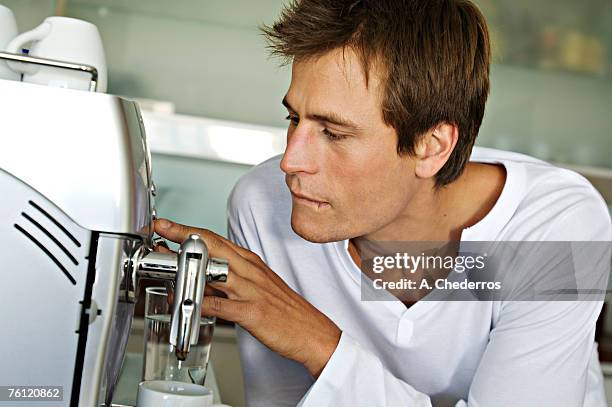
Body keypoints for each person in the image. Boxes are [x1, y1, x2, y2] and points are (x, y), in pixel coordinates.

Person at [154, 0, 612, 405]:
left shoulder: (556, 222)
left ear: (431, 146)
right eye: (294, 118)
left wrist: (319, 345)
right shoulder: (262, 206)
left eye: (334, 133)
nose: (291, 161)